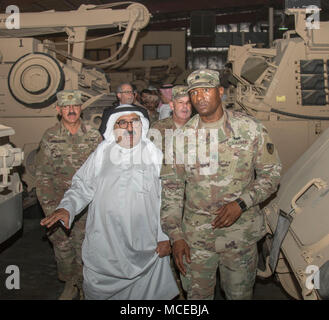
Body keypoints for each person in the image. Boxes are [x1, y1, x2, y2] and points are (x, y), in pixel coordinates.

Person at [160, 69, 282, 300]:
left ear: (220, 92)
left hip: (240, 237)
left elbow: (272, 174)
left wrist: (242, 203)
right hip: (195, 239)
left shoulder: (250, 128)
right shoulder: (180, 139)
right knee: (197, 298)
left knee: (239, 295)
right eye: (194, 92)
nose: (199, 97)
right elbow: (171, 192)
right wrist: (176, 237)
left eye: (206, 90)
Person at [40, 104, 179, 300]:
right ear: (113, 127)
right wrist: (67, 207)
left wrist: (164, 236)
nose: (130, 127)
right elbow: (82, 186)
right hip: (106, 244)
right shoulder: (102, 153)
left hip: (146, 247)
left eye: (134, 121)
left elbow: (167, 199)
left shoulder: (154, 154)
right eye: (123, 122)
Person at [35, 90, 102, 300]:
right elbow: (43, 175)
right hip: (58, 204)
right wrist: (50, 208)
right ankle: (70, 283)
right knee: (63, 247)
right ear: (58, 110)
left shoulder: (93, 135)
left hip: (86, 207)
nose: (71, 110)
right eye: (66, 106)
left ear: (81, 108)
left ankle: (85, 287)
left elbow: (102, 173)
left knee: (86, 248)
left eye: (74, 106)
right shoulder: (50, 137)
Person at [148, 85, 192, 154]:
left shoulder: (200, 126)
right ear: (172, 105)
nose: (185, 106)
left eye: (188, 102)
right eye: (180, 102)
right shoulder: (158, 128)